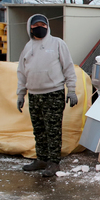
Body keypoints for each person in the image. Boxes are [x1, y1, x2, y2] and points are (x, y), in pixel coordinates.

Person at [17, 14, 77, 177]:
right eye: (36, 25)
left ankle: (53, 162)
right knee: (39, 129)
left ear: (47, 26)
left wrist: (71, 90)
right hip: (34, 95)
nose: (40, 28)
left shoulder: (57, 44)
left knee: (53, 130)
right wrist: (21, 94)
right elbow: (21, 73)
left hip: (53, 94)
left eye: (43, 25)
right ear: (30, 27)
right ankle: (42, 159)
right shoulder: (28, 47)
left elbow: (68, 68)